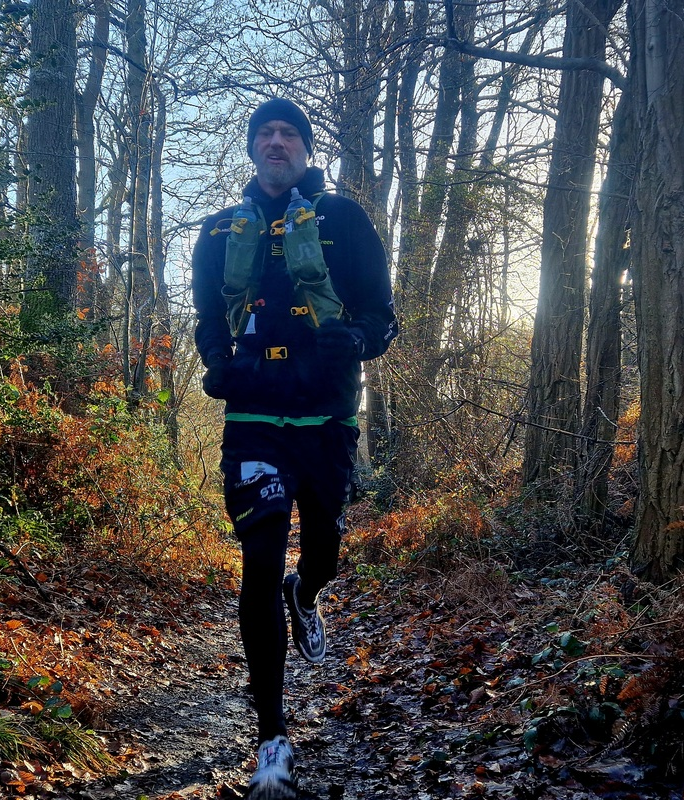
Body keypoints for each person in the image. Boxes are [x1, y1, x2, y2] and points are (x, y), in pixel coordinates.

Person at [191, 97, 397, 799]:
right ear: (251, 148)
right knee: (257, 558)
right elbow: (204, 315)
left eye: (289, 133)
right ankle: (272, 743)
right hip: (253, 415)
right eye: (265, 133)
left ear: (306, 149)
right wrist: (218, 361)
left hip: (328, 416)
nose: (277, 142)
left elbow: (381, 312)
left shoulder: (342, 220)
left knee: (324, 553)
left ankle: (303, 594)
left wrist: (360, 339)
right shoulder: (219, 229)